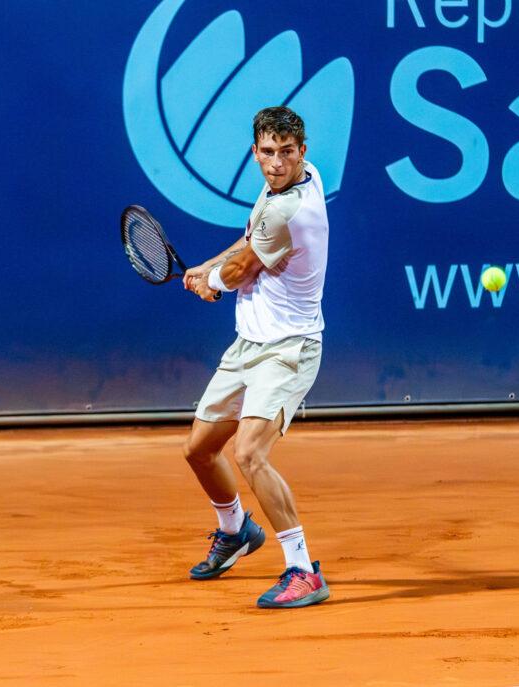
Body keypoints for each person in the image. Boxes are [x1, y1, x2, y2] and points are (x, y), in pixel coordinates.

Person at [180, 106, 330, 609]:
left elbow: (245, 266)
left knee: (248, 453)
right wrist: (206, 265)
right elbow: (249, 239)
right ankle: (236, 530)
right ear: (255, 152)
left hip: (289, 349)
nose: (277, 163)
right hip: (248, 344)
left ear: (302, 152)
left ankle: (302, 569)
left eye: (287, 153)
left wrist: (213, 284)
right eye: (268, 152)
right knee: (199, 449)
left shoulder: (291, 207)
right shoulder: (288, 187)